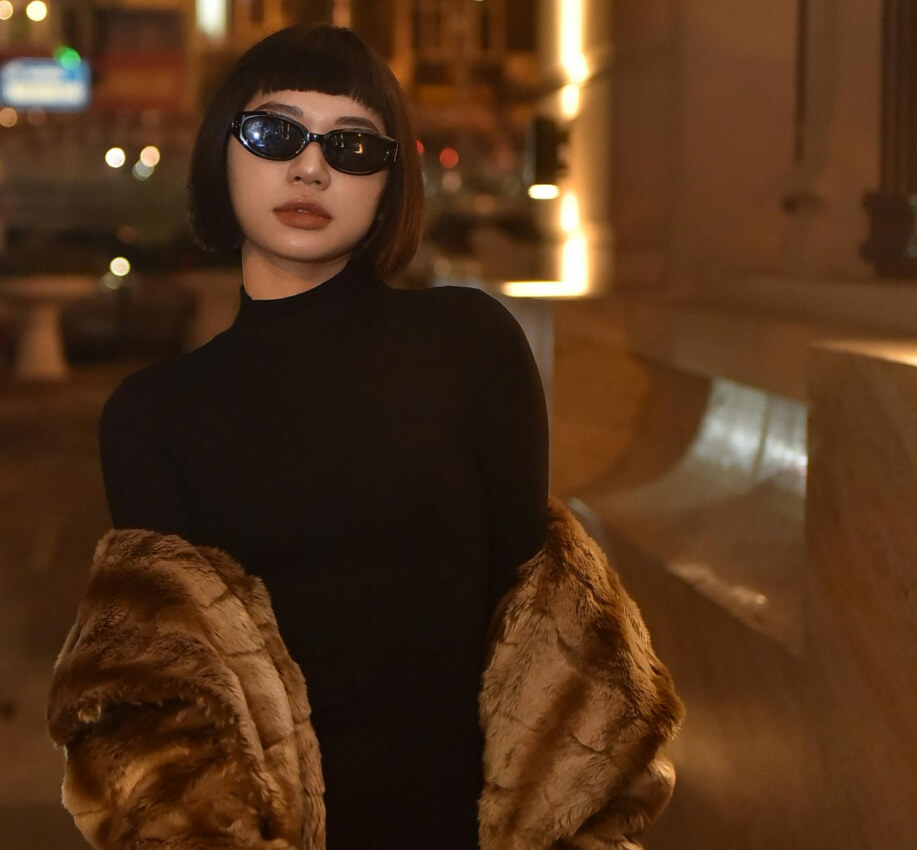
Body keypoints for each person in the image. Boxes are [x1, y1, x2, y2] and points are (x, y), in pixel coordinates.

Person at [97, 23, 548, 850]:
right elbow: (176, 703)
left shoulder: (468, 344)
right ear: (221, 152)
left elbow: (535, 627)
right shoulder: (152, 415)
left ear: (389, 184)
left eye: (352, 146)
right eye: (276, 134)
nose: (311, 168)